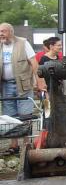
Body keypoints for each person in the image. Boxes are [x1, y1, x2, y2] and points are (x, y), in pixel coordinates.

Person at [1, 22, 46, 153]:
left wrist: (39, 82)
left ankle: (26, 143)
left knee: (25, 114)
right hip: (5, 84)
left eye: (3, 31)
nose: (1, 34)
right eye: (0, 32)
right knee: (9, 115)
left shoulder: (23, 43)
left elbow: (34, 63)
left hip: (23, 84)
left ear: (11, 31)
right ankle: (13, 145)